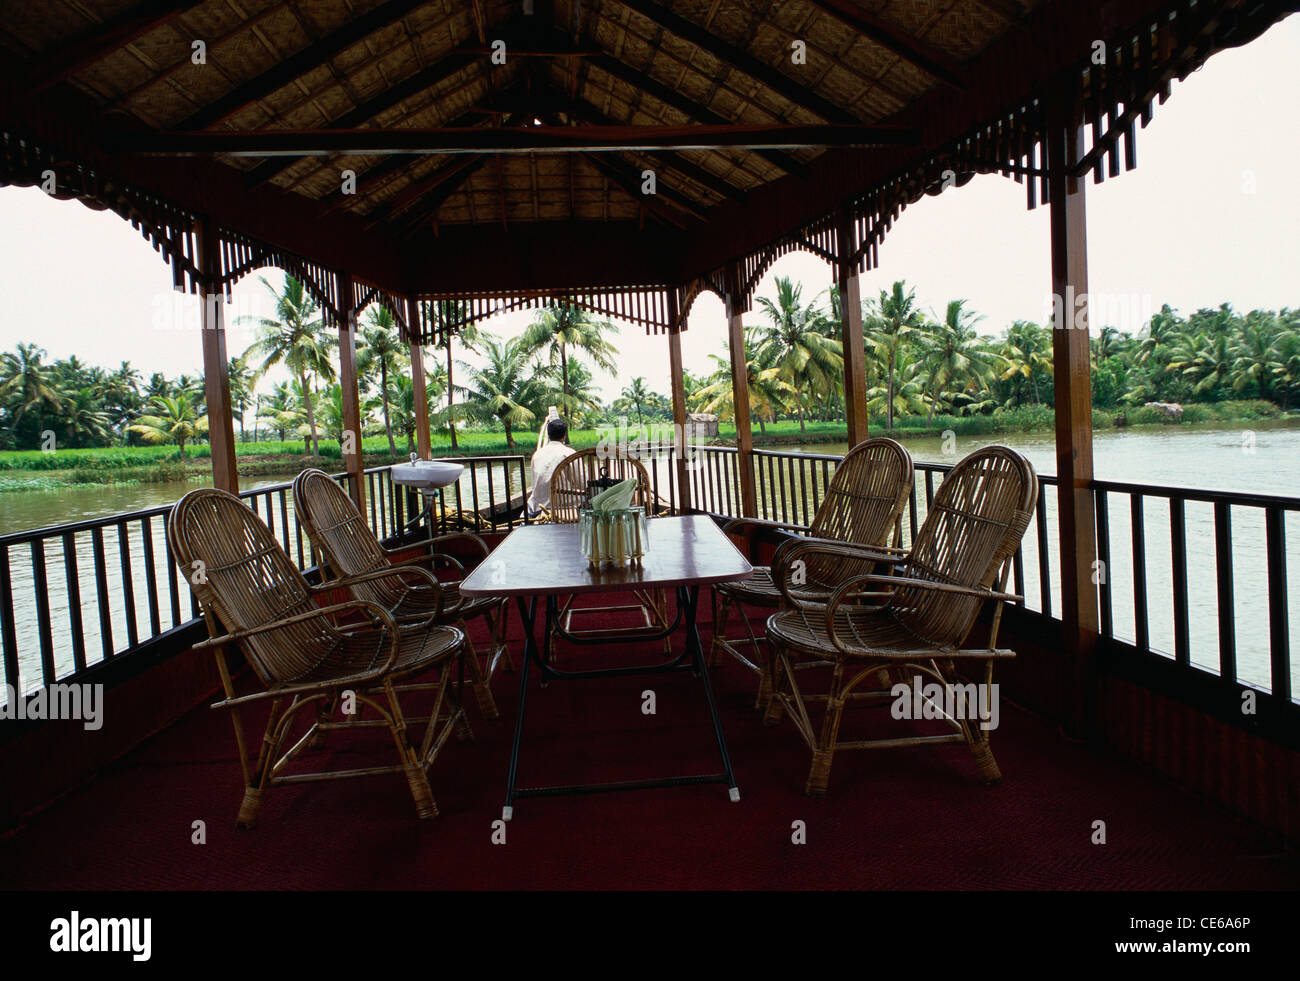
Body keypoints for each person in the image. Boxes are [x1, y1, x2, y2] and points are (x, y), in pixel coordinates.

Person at [527, 415, 576, 516]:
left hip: (538, 506)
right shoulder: (569, 453)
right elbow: (583, 482)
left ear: (549, 435)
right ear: (564, 436)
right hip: (564, 506)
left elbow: (534, 482)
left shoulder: (537, 454)